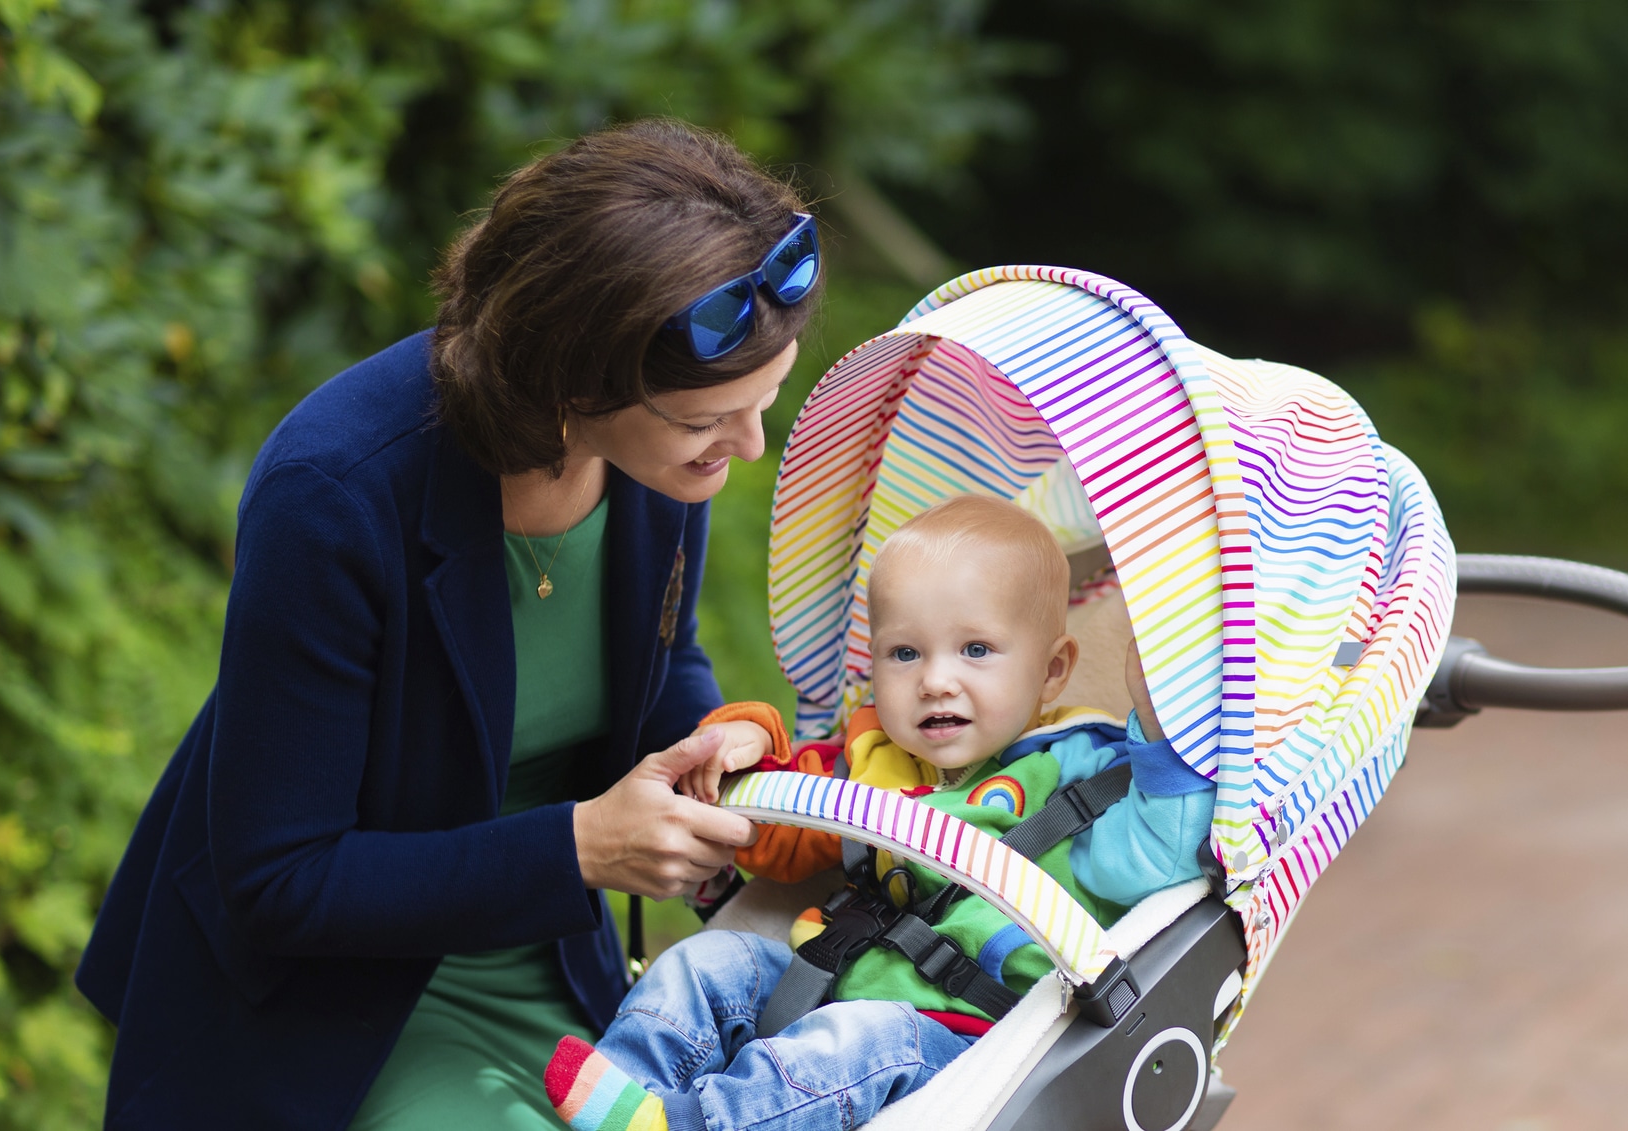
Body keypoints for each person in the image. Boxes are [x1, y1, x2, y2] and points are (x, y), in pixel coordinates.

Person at [74, 119, 822, 1130]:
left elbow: (658, 655)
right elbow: (280, 881)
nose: (747, 446)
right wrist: (579, 851)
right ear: (575, 378)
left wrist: (712, 750)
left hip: (549, 964)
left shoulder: (654, 454)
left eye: (761, 404)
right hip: (331, 1017)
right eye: (707, 421)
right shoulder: (331, 494)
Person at [542, 495, 1216, 1131]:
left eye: (975, 649)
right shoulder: (871, 757)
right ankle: (632, 1087)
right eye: (904, 653)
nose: (935, 679)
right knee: (709, 961)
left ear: (1051, 671)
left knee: (852, 1038)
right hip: (821, 982)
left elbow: (1156, 857)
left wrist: (1161, 737)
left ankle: (689, 1124)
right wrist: (741, 741)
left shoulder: (1080, 771)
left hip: (954, 1039)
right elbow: (764, 836)